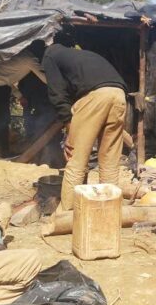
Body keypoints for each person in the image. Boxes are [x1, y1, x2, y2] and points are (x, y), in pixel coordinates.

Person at [42, 27, 128, 209]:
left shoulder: (50, 54)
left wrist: (68, 124)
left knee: (76, 158)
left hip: (96, 96)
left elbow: (56, 93)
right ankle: (109, 210)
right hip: (119, 94)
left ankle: (68, 212)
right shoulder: (82, 56)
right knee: (110, 160)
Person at [0, 48, 47, 158]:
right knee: (2, 118)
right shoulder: (30, 59)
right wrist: (58, 85)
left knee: (3, 118)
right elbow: (44, 78)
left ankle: (4, 150)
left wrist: (20, 96)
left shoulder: (19, 54)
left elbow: (6, 79)